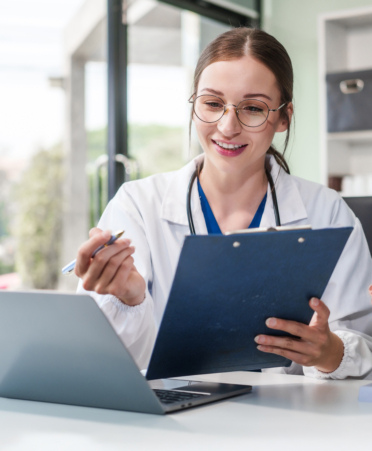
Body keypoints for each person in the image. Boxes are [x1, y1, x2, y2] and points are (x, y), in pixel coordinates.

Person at [76, 27, 372, 379]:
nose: (227, 126)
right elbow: (98, 360)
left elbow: (360, 345)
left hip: (292, 422)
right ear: (194, 105)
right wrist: (130, 300)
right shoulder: (138, 205)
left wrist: (329, 352)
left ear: (282, 117)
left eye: (252, 108)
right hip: (172, 423)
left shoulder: (328, 211)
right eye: (213, 104)